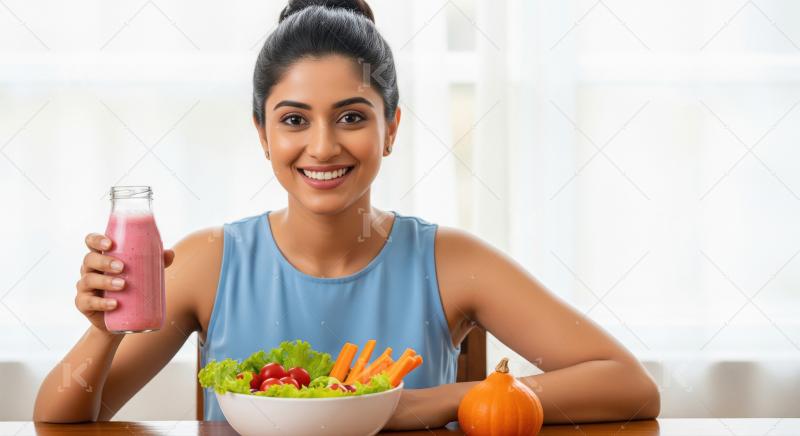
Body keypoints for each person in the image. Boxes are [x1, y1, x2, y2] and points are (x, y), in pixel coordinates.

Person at [34, 0, 659, 429]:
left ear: (391, 129)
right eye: (294, 120)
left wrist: (414, 407)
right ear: (262, 133)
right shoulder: (205, 263)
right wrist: (104, 330)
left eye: (353, 116)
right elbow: (60, 422)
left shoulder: (451, 262)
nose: (324, 145)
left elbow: (629, 386)